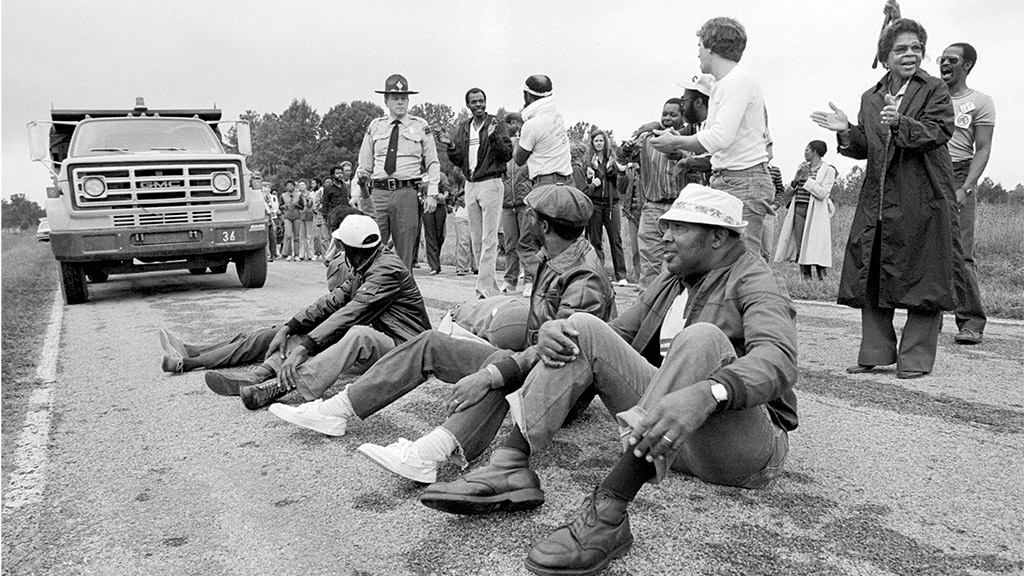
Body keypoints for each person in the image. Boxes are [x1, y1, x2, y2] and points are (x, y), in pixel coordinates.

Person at [419, 185, 797, 576]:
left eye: (679, 228)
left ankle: (610, 509)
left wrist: (711, 390)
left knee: (702, 339)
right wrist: (517, 361)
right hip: (670, 432)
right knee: (579, 327)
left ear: (718, 236)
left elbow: (779, 359)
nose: (664, 236)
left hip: (741, 450)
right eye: (666, 227)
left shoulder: (756, 279)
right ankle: (510, 465)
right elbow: (607, 338)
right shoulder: (673, 280)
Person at [269, 184, 617, 484]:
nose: (523, 217)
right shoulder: (556, 255)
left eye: (530, 213)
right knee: (431, 342)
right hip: (530, 366)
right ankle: (338, 410)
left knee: (495, 364)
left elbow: (562, 354)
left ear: (542, 224)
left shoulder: (585, 279)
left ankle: (430, 454)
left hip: (558, 393)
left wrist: (494, 373)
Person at [812, 17, 955, 379]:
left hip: (922, 195)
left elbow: (939, 131)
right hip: (878, 199)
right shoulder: (871, 97)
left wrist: (899, 123)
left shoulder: (934, 89)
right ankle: (875, 352)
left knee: (924, 276)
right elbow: (867, 147)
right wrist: (847, 131)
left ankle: (916, 360)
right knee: (872, 273)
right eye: (901, 49)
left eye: (916, 48)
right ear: (886, 56)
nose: (911, 54)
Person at [202, 215, 432, 409]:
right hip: (393, 346)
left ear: (351, 249)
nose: (341, 252)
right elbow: (331, 303)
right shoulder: (368, 264)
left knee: (356, 334)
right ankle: (260, 374)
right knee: (318, 330)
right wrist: (289, 326)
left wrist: (305, 349)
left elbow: (352, 312)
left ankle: (282, 385)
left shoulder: (387, 270)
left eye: (343, 247)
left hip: (412, 350)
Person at [158, 219, 357, 375]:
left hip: (335, 331)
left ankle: (189, 362)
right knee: (256, 337)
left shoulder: (347, 266)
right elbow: (328, 304)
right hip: (332, 325)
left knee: (261, 340)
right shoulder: (356, 263)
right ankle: (194, 350)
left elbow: (336, 306)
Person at [651, 18, 774, 258]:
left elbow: (719, 137)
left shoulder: (736, 83)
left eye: (699, 45)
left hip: (743, 180)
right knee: (726, 261)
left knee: (743, 262)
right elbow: (718, 138)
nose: (697, 52)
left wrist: (675, 142)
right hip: (733, 179)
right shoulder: (726, 84)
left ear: (710, 46)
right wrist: (681, 139)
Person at [356, 74, 441, 271]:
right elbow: (364, 165)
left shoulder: (420, 126)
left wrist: (432, 194)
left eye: (404, 98)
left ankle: (402, 298)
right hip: (378, 193)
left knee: (405, 252)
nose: (400, 102)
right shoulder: (375, 126)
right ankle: (371, 295)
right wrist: (357, 193)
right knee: (371, 247)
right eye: (395, 98)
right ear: (386, 101)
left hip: (406, 193)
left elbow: (433, 162)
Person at [940, 42, 993, 345]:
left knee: (961, 253)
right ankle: (926, 319)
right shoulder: (930, 97)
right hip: (928, 172)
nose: (944, 63)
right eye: (942, 59)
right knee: (925, 252)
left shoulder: (981, 101)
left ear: (967, 66)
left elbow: (983, 148)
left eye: (952, 59)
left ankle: (971, 321)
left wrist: (966, 187)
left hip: (960, 173)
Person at [439, 88, 514, 297]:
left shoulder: (495, 124)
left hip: (491, 182)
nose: (479, 105)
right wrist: (451, 144)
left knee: (490, 238)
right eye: (474, 102)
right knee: (476, 238)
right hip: (470, 184)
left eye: (482, 101)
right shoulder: (464, 128)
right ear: (468, 105)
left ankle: (482, 289)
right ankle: (492, 289)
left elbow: (507, 155)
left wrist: (493, 138)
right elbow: (458, 159)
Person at [773, 140, 837, 280]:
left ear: (815, 152)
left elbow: (823, 193)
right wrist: (796, 179)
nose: (805, 153)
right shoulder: (803, 168)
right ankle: (805, 279)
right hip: (799, 209)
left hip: (816, 212)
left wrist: (807, 179)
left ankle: (822, 278)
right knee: (800, 244)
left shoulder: (828, 170)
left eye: (807, 150)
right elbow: (787, 193)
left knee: (816, 245)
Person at [500, 113, 538, 295]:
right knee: (510, 245)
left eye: (518, 134)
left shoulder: (528, 157)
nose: (515, 137)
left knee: (527, 243)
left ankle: (530, 281)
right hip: (507, 205)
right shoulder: (504, 158)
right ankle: (510, 281)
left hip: (524, 204)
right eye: (512, 134)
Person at [583, 129, 627, 285]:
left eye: (601, 140)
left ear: (605, 142)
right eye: (596, 141)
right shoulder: (588, 162)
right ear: (592, 143)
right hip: (595, 204)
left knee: (615, 238)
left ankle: (621, 275)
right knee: (595, 240)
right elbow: (589, 184)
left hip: (612, 203)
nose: (599, 143)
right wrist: (594, 170)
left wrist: (609, 169)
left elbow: (617, 183)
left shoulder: (612, 160)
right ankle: (598, 273)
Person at [421, 170, 452, 275]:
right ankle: (433, 265)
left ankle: (436, 259)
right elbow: (418, 192)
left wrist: (443, 197)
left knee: (440, 235)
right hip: (426, 207)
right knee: (430, 235)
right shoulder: (422, 176)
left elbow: (447, 190)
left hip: (439, 206)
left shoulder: (440, 175)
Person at [321, 166, 351, 238]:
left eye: (341, 173)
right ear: (332, 175)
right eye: (337, 173)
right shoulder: (328, 188)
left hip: (346, 215)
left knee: (346, 236)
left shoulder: (345, 186)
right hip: (335, 216)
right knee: (336, 237)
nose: (340, 175)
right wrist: (326, 217)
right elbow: (325, 204)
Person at [279, 180, 303, 261]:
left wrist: (297, 205)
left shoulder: (299, 195)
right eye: (288, 186)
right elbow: (280, 207)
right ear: (286, 187)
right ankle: (289, 254)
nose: (289, 187)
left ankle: (296, 255)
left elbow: (302, 206)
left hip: (297, 216)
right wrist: (284, 206)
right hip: (287, 216)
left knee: (296, 236)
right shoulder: (283, 196)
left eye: (291, 185)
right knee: (288, 235)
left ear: (294, 186)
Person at [262, 182, 280, 261]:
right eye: (265, 187)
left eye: (268, 187)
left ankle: (273, 253)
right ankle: (266, 255)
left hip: (271, 218)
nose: (267, 189)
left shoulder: (272, 197)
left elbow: (276, 206)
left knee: (273, 237)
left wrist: (273, 211)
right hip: (263, 218)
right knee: (265, 237)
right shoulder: (260, 197)